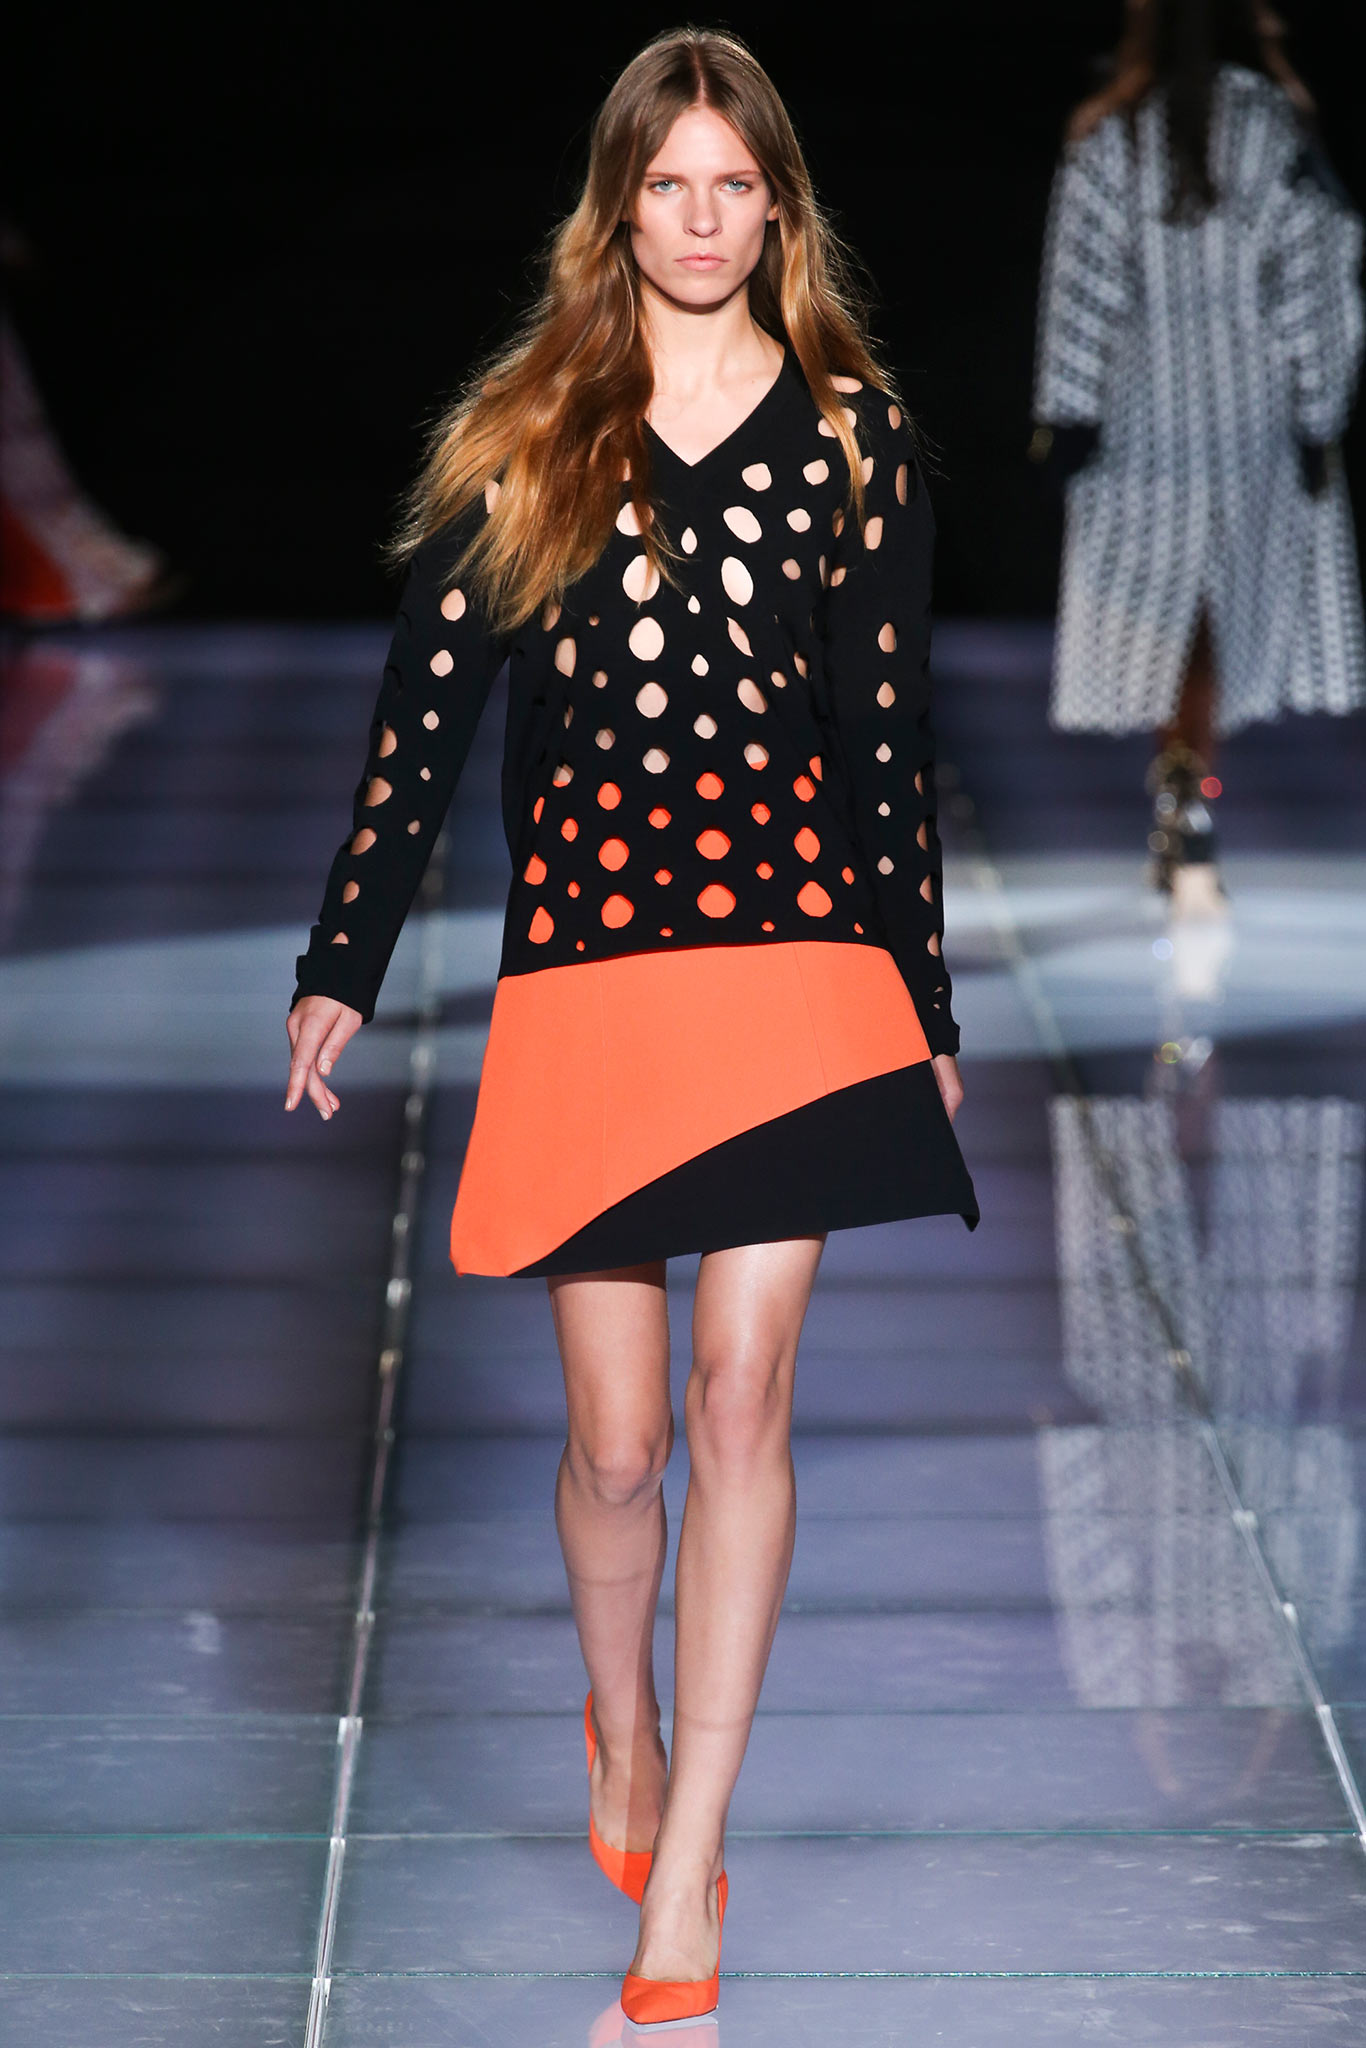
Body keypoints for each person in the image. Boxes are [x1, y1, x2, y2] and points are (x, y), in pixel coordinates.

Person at [285, 27, 976, 2026]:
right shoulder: (532, 434)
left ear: (777, 208)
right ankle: (623, 1721)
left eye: (731, 185)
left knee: (742, 1399)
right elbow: (420, 726)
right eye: (665, 184)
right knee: (616, 1443)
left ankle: (684, 1890)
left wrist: (919, 999)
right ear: (617, 206)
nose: (698, 218)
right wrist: (342, 958)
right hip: (591, 980)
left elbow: (883, 743)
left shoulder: (854, 441)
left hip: (799, 973)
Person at [1032, 0, 1363, 914]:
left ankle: (1179, 793)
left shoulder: (1110, 133)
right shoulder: (1272, 124)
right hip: (1250, 411)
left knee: (1160, 612)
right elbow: (1313, 273)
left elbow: (1083, 281)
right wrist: (1318, 410)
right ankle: (1192, 796)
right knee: (1214, 607)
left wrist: (1066, 415)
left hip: (1141, 413)